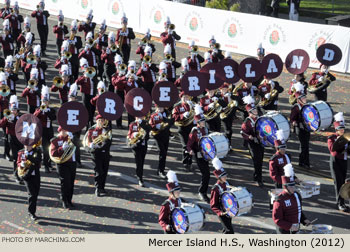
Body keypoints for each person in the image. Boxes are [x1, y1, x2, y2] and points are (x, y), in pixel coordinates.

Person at [272, 164, 311, 233]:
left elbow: (298, 210)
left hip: (295, 229)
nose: (293, 188)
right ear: (285, 187)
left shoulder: (297, 195)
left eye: (294, 186)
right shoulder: (279, 200)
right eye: (290, 186)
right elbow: (277, 219)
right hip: (284, 231)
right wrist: (290, 226)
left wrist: (304, 220)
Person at [327, 112, 350, 212]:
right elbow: (333, 150)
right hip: (335, 162)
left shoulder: (347, 138)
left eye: (343, 129)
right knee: (338, 182)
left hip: (344, 161)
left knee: (343, 182)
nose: (342, 130)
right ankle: (339, 203)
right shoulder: (331, 138)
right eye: (340, 129)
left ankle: (343, 202)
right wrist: (341, 144)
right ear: (336, 129)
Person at [187, 105, 210, 203]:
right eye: (202, 121)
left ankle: (203, 191)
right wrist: (190, 151)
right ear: (197, 122)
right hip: (199, 154)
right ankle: (202, 192)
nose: (204, 122)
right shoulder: (195, 131)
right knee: (206, 174)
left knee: (207, 174)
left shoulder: (205, 129)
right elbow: (189, 144)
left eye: (204, 120)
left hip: (206, 154)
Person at [50, 126, 76, 209]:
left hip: (72, 162)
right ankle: (64, 201)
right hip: (62, 164)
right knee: (65, 183)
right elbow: (53, 153)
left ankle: (69, 200)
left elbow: (79, 146)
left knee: (71, 183)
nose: (66, 132)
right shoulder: (55, 140)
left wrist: (74, 139)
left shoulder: (70, 138)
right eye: (64, 130)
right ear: (60, 130)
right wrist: (61, 149)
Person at [241, 95, 265, 187]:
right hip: (253, 143)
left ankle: (257, 176)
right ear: (249, 112)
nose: (256, 111)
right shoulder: (247, 121)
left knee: (261, 160)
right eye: (254, 111)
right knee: (257, 161)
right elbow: (243, 133)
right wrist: (249, 137)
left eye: (255, 110)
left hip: (260, 142)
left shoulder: (259, 119)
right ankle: (258, 179)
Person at [87, 114, 112, 197]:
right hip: (96, 153)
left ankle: (102, 187)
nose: (101, 122)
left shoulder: (107, 130)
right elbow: (89, 140)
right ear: (96, 121)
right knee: (98, 171)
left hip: (105, 153)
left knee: (105, 171)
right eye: (99, 120)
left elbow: (109, 142)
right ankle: (97, 188)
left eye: (102, 120)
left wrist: (102, 145)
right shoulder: (91, 130)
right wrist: (91, 145)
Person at [0, 95, 23, 183]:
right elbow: (1, 125)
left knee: (22, 157)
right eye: (12, 110)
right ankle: (16, 174)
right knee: (16, 157)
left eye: (15, 110)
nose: (14, 112)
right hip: (12, 139)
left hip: (20, 139)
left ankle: (21, 173)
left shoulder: (20, 118)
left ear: (17, 111)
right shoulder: (8, 117)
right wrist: (6, 118)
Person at [17, 142, 42, 221]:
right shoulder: (21, 152)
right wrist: (21, 164)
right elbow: (18, 163)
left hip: (36, 176)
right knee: (32, 194)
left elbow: (37, 161)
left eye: (29, 145)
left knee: (36, 193)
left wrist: (29, 156)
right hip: (27, 176)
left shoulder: (37, 151)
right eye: (26, 145)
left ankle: (31, 210)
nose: (27, 146)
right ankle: (31, 212)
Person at [34, 86, 56, 173]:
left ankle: (49, 163)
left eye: (46, 101)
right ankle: (46, 165)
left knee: (50, 147)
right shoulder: (38, 110)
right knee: (45, 148)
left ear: (48, 102)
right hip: (42, 131)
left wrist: (47, 111)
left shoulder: (51, 110)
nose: (44, 103)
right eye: (43, 101)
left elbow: (53, 118)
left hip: (49, 130)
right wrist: (41, 110)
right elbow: (34, 117)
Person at [210, 157, 234, 234]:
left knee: (226, 230)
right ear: (219, 178)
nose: (225, 177)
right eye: (223, 176)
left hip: (229, 211)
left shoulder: (227, 184)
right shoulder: (216, 188)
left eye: (225, 175)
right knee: (229, 231)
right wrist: (220, 213)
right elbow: (213, 205)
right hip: (223, 213)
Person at [149, 105, 173, 178]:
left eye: (161, 107)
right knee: (162, 152)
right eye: (158, 108)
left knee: (164, 153)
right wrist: (156, 127)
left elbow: (171, 122)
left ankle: (162, 169)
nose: (160, 109)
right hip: (157, 135)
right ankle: (160, 171)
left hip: (165, 135)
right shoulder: (153, 115)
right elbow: (150, 125)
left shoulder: (167, 114)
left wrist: (164, 119)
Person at [290, 83, 310, 168]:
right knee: (303, 145)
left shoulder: (307, 106)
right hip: (300, 127)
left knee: (307, 145)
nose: (305, 99)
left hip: (307, 127)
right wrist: (294, 122)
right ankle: (301, 162)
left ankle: (307, 162)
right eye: (303, 98)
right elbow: (292, 118)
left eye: (305, 97)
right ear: (299, 99)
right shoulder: (296, 107)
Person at [172, 92, 194, 170]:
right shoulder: (177, 106)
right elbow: (174, 117)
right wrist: (182, 115)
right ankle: (185, 162)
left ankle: (190, 161)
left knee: (191, 145)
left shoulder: (191, 105)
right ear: (181, 98)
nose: (186, 99)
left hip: (191, 127)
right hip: (182, 128)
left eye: (187, 97)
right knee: (185, 146)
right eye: (184, 97)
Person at [128, 116, 151, 187]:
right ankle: (140, 178)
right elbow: (129, 134)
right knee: (139, 161)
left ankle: (139, 174)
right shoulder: (132, 124)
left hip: (143, 145)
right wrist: (133, 135)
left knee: (142, 161)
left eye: (140, 117)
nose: (139, 118)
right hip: (135, 145)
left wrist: (142, 124)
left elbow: (148, 132)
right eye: (138, 117)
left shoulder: (145, 123)